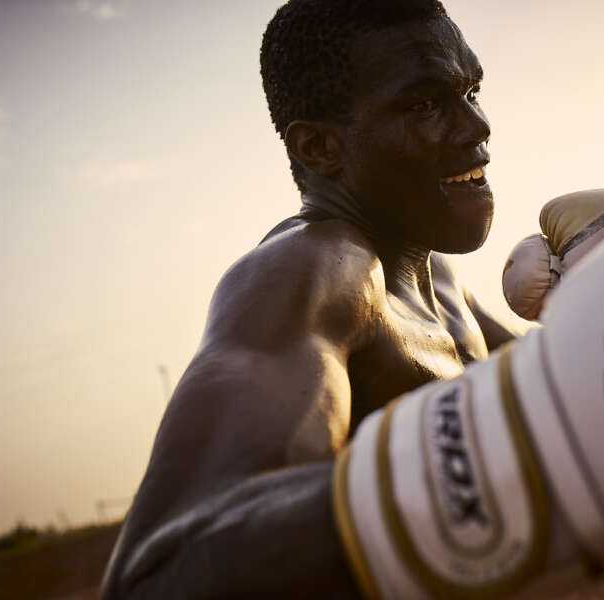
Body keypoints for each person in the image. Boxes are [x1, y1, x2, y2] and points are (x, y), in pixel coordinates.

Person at [101, 1, 519, 597]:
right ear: (320, 147)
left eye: (470, 90)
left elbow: (568, 395)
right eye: (425, 104)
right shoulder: (312, 269)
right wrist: (467, 488)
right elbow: (156, 572)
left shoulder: (439, 281)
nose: (476, 126)